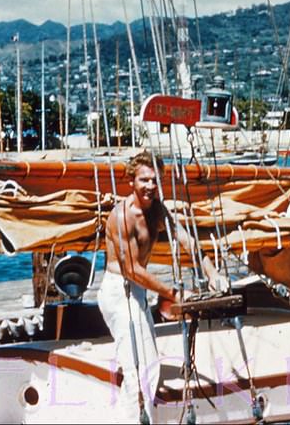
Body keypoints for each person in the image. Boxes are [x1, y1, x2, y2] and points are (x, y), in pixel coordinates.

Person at [98, 151, 218, 423]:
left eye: (155, 180)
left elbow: (186, 239)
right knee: (142, 370)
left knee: (144, 364)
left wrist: (211, 272)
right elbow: (131, 269)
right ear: (131, 181)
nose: (151, 186)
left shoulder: (157, 210)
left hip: (136, 292)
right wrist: (172, 293)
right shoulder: (122, 217)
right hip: (119, 292)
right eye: (144, 180)